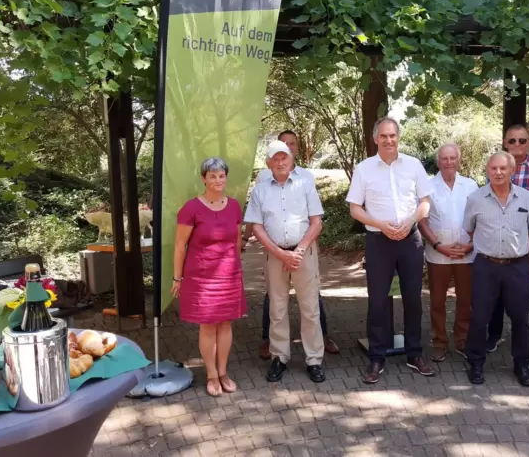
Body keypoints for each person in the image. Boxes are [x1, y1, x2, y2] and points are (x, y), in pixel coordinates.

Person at [347, 116, 435, 384]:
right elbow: (355, 208)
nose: (388, 140)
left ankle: (414, 353)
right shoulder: (363, 169)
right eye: (383, 136)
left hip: (410, 240)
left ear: (398, 138)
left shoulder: (413, 165)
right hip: (379, 242)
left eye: (392, 136)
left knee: (413, 300)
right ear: (375, 139)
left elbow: (425, 203)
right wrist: (379, 224)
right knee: (377, 301)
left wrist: (410, 221)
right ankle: (376, 357)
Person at [244, 130, 339, 359]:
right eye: (275, 159)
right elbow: (256, 226)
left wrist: (298, 251)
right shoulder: (260, 189)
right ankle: (279, 357)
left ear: (291, 159)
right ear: (268, 163)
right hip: (274, 255)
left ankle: (314, 359)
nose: (280, 162)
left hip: (303, 253)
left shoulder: (305, 184)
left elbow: (316, 223)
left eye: (284, 157)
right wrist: (279, 253)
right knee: (277, 310)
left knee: (310, 309)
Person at [462, 151, 529, 387]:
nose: (498, 172)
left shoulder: (527, 199)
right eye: (493, 168)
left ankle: (522, 364)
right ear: (487, 170)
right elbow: (470, 229)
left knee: (520, 318)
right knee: (479, 317)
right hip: (486, 266)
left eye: (503, 168)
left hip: (517, 267)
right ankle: (476, 361)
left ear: (512, 171)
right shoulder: (475, 199)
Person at [171, 157, 246, 397]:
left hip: (229, 275)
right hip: (201, 277)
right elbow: (180, 245)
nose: (217, 180)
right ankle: (211, 375)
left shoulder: (234, 206)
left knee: (225, 324)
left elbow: (236, 240)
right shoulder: (191, 208)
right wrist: (177, 278)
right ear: (203, 179)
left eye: (221, 175)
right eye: (212, 176)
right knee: (208, 326)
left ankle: (223, 372)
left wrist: (237, 267)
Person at [487, 124, 529, 354]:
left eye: (522, 140)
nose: (517, 145)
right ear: (505, 142)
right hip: (504, 242)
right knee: (496, 296)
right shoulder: (497, 165)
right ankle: (493, 335)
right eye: (512, 140)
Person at [418, 143, 478, 362]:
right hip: (438, 254)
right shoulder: (428, 186)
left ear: (458, 160)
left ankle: (462, 340)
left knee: (465, 300)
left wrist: (470, 245)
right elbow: (422, 222)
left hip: (466, 254)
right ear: (438, 161)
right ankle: (439, 341)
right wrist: (437, 245)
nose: (449, 162)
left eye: (453, 158)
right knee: (437, 301)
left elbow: (480, 218)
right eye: (444, 158)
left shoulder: (471, 185)